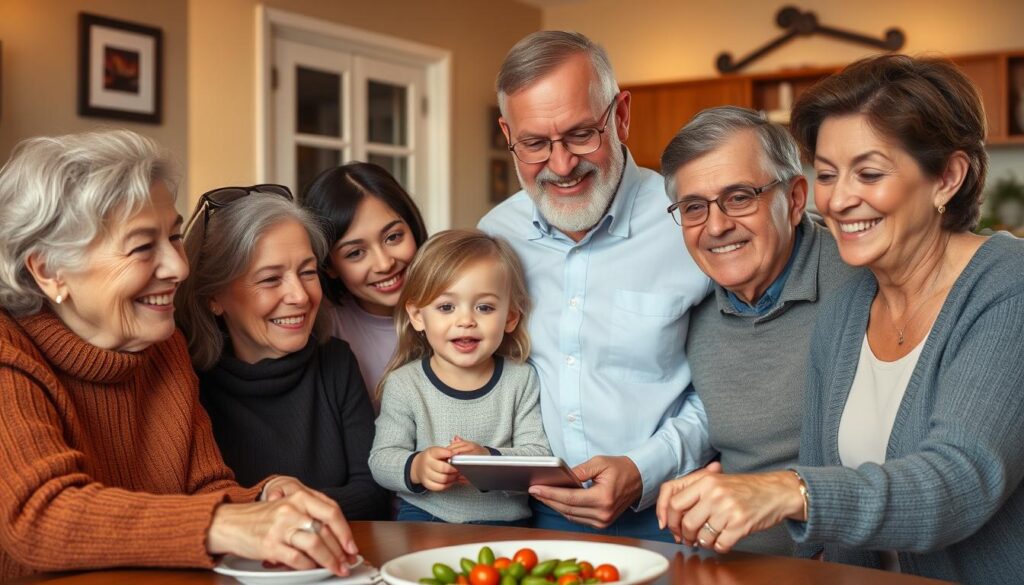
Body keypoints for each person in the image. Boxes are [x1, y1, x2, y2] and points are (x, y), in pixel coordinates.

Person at [656, 55, 1024, 583]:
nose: (840, 199)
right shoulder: (851, 307)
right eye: (827, 174)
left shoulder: (1008, 286)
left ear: (948, 177)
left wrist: (788, 490)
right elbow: (832, 495)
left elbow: (959, 482)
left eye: (869, 173)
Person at [0, 130, 357, 581]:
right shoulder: (10, 351)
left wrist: (263, 497)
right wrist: (223, 523)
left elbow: (204, 488)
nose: (180, 267)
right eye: (144, 247)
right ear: (49, 270)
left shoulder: (163, 346)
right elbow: (38, 516)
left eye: (174, 236)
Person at [478, 30, 712, 539]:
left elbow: (726, 391)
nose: (561, 166)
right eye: (535, 144)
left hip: (673, 513)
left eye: (582, 134)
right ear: (507, 134)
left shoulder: (691, 226)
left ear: (621, 114)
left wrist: (643, 469)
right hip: (531, 520)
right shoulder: (494, 237)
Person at [657, 106, 858, 555]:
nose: (716, 225)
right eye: (693, 207)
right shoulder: (687, 302)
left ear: (796, 198)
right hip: (732, 565)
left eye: (740, 197)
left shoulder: (865, 280)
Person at [175, 186, 390, 520]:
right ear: (213, 298)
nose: (300, 296)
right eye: (271, 279)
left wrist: (275, 507)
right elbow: (188, 507)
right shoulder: (187, 381)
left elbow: (372, 493)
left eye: (307, 272)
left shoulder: (335, 361)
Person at [368, 229, 550, 525]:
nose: (465, 321)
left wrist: (486, 460)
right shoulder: (404, 384)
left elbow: (538, 456)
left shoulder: (521, 379)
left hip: (504, 522)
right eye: (446, 307)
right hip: (426, 516)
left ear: (510, 318)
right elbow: (382, 459)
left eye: (485, 307)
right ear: (417, 316)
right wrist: (418, 467)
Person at [302, 163, 428, 412]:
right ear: (328, 265)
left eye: (393, 237)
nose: (384, 264)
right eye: (356, 253)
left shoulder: (457, 308)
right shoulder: (325, 329)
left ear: (412, 227)